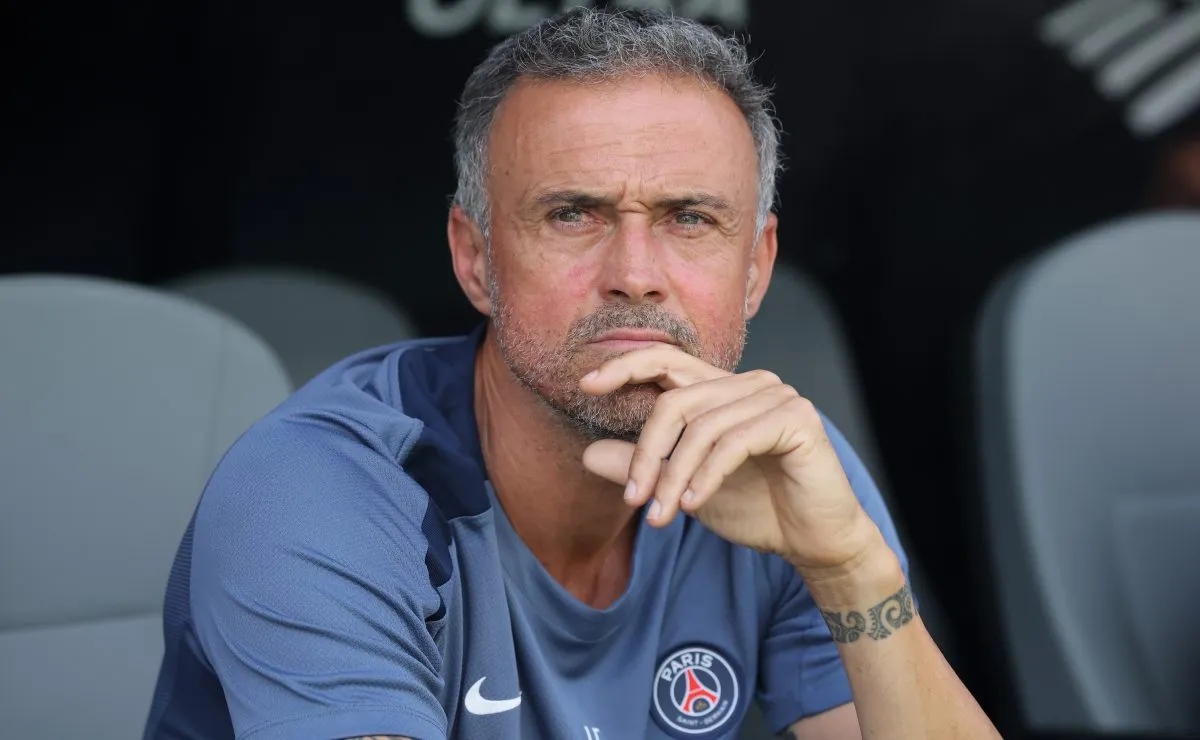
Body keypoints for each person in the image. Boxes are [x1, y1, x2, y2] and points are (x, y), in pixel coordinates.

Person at [144, 8, 1001, 739]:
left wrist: (851, 563)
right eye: (572, 214)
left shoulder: (778, 463)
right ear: (475, 259)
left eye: (689, 218)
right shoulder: (320, 492)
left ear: (756, 268)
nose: (635, 271)